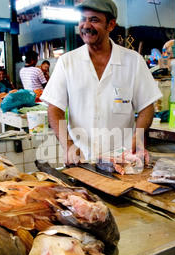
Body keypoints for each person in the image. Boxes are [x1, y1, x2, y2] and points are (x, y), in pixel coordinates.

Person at [41, 0, 162, 164]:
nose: (86, 25)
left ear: (111, 25)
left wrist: (138, 137)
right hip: (82, 160)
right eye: (82, 19)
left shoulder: (133, 61)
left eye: (94, 20)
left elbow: (146, 106)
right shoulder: (67, 62)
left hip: (122, 159)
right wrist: (68, 144)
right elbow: (54, 109)